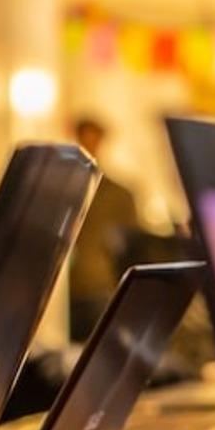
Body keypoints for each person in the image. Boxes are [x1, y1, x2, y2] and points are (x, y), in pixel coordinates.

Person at [66, 116, 145, 341]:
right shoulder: (65, 189)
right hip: (68, 289)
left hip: (100, 287)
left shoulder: (118, 194)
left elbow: (132, 247)